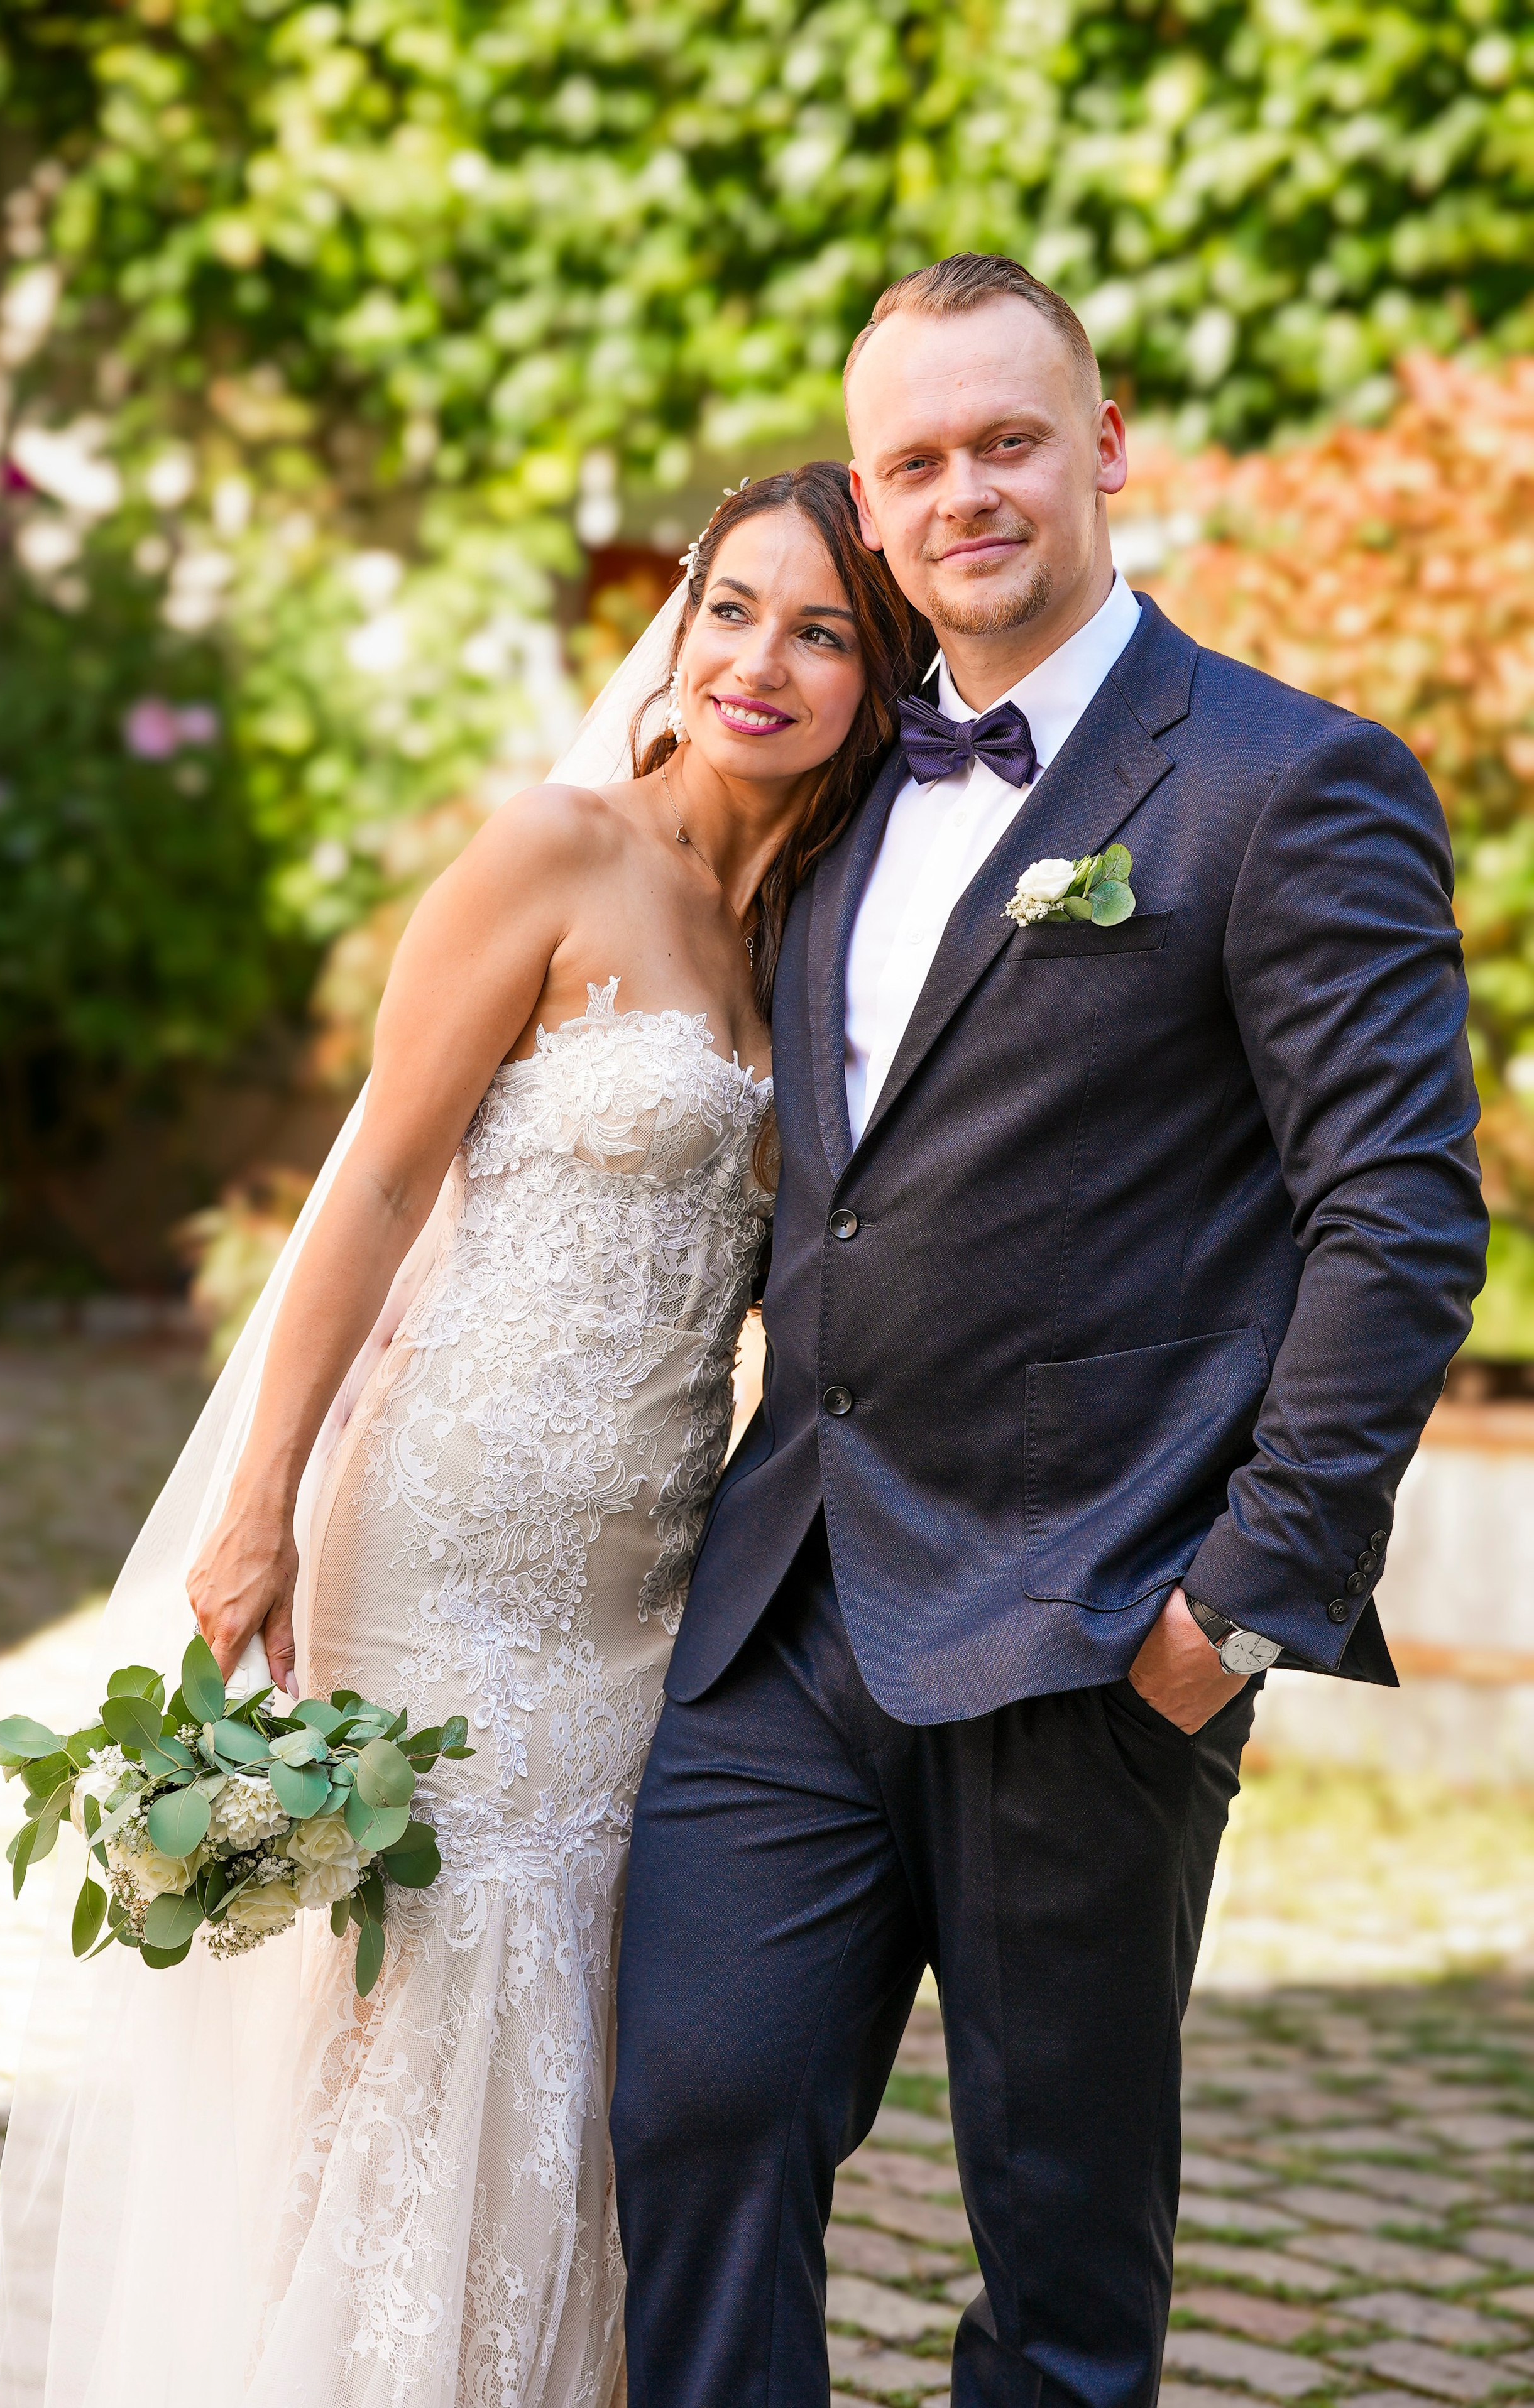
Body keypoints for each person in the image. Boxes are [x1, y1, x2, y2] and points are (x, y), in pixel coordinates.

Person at [610, 253, 1489, 2407]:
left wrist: (1238, 1609)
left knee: (1064, 2252)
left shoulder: (1288, 783)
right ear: (870, 495)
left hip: (1092, 1622)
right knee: (694, 2109)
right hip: (788, 1595)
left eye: (1009, 440)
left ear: (1104, 447)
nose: (962, 492)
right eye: (913, 460)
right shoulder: (832, 800)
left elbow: (1398, 1219)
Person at [0, 462, 927, 2408]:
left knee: (573, 2042)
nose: (761, 659)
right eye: (732, 607)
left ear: (875, 671)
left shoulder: (815, 945)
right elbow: (378, 1184)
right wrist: (255, 1505)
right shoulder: (556, 855)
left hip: (642, 1601)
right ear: (677, 625)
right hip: (440, 1549)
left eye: (821, 630)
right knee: (400, 2029)